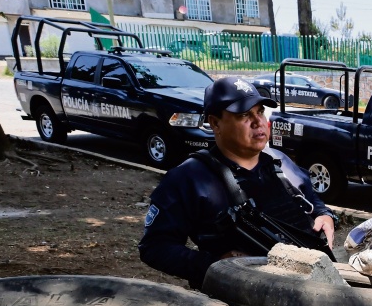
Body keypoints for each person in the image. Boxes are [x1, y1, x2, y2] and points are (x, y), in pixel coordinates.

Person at [139, 77, 336, 288]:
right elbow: (155, 246)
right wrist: (215, 266)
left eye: (260, 112)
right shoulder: (189, 178)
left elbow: (312, 200)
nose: (258, 122)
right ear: (215, 123)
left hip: (313, 283)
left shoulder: (280, 161)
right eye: (244, 115)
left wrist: (324, 215)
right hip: (243, 298)